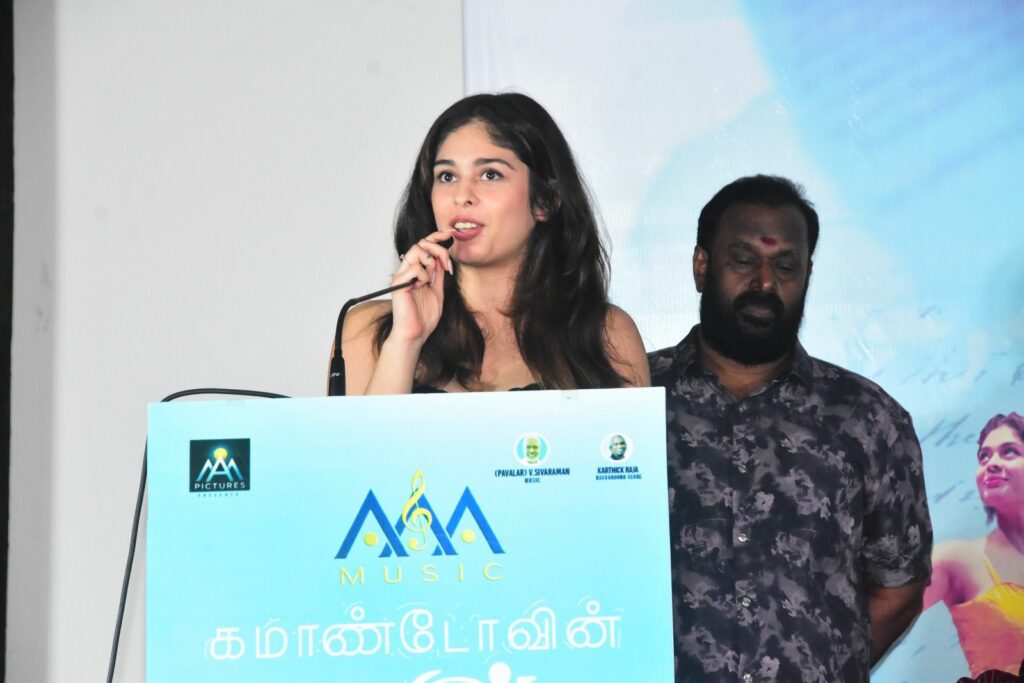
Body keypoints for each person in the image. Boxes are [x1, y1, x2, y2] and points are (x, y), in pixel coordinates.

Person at [648, 175, 932, 682]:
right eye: (743, 260)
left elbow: (899, 585)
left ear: (807, 274)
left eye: (785, 267)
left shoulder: (868, 418)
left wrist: (828, 665)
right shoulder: (631, 398)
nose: (764, 283)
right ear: (701, 265)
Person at [340, 93, 648, 394]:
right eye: (447, 176)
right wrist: (406, 341)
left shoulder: (607, 334)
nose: (462, 196)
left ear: (545, 201)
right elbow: (365, 433)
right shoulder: (368, 330)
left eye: (490, 174)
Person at [923, 412, 1024, 677]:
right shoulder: (957, 560)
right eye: (984, 457)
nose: (991, 464)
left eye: (1009, 451)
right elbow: (860, 626)